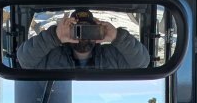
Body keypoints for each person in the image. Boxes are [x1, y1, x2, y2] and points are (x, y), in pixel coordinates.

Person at [16, 8, 151, 70]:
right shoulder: (51, 54)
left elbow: (141, 63)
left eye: (89, 30)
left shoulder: (112, 54)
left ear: (98, 31)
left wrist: (117, 37)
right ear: (68, 31)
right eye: (77, 29)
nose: (84, 36)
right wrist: (54, 37)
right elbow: (25, 61)